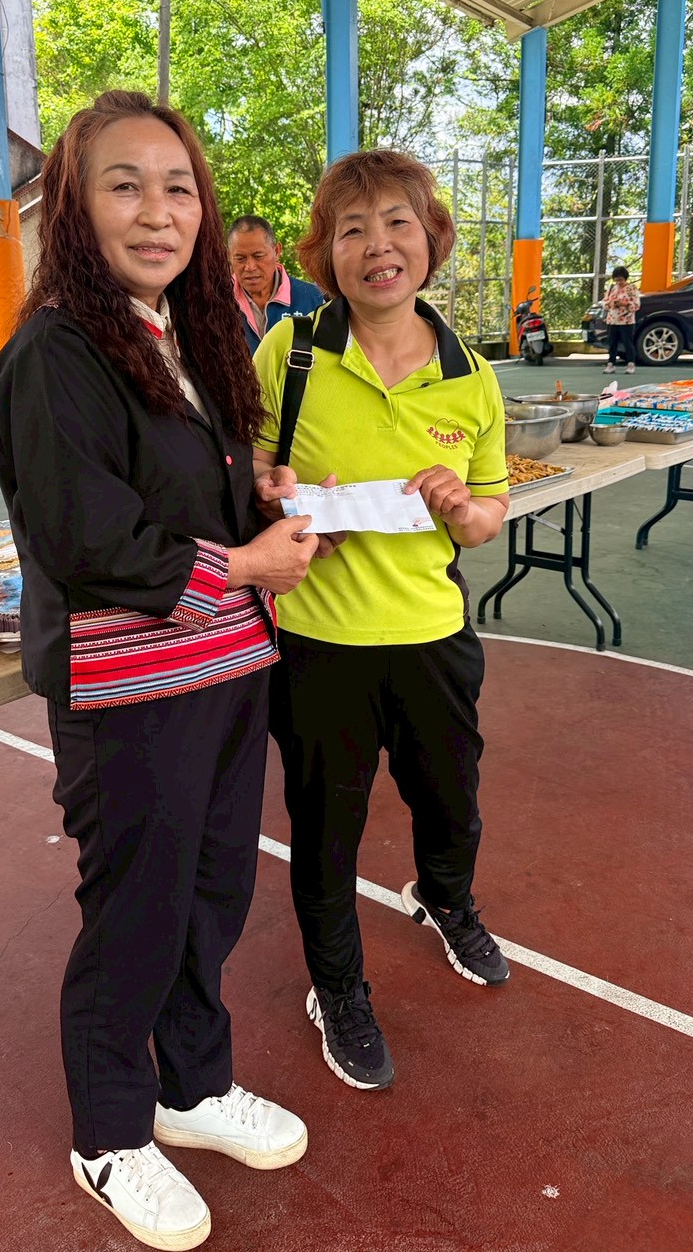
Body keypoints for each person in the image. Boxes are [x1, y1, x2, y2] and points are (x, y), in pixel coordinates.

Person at [0, 91, 316, 1251]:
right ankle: (110, 1131)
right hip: (129, 689)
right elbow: (86, 536)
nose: (157, 211)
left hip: (222, 665)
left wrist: (259, 497)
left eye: (178, 187)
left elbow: (186, 496)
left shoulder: (185, 333)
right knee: (135, 907)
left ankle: (192, 1083)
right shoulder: (54, 350)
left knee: (212, 889)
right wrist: (249, 562)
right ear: (74, 210)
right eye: (123, 185)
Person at [252, 150, 511, 1093]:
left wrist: (461, 505)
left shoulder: (471, 375)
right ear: (326, 252)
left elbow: (488, 517)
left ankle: (445, 899)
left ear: (431, 239)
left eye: (398, 222)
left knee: (453, 802)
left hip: (435, 636)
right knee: (328, 827)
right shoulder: (291, 352)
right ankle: (338, 987)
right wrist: (277, 491)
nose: (378, 246)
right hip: (321, 644)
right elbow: (250, 467)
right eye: (352, 229)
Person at [229, 215, 324, 352]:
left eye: (258, 256)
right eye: (240, 258)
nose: (250, 267)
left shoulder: (313, 299)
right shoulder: (216, 302)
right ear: (229, 256)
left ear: (277, 251)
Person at [603, 265, 640, 373]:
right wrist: (610, 304)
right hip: (612, 320)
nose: (619, 282)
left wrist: (625, 303)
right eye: (617, 280)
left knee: (628, 343)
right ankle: (611, 364)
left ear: (625, 278)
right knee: (612, 343)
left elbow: (636, 305)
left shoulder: (631, 288)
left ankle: (631, 364)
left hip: (626, 321)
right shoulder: (611, 288)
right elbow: (605, 303)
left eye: (621, 280)